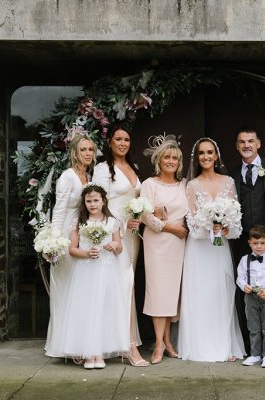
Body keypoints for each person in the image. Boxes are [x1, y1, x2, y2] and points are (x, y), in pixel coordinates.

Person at [178, 137, 245, 362]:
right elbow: (192, 222)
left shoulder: (228, 182)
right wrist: (209, 224)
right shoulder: (192, 185)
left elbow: (237, 221)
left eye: (209, 152)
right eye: (201, 153)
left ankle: (224, 345)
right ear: (197, 158)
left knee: (221, 292)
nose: (206, 157)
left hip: (220, 247)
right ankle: (200, 345)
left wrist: (226, 229)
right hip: (199, 248)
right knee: (200, 293)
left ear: (216, 156)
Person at [92, 123, 148, 367]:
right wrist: (120, 226)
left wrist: (137, 217)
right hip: (115, 235)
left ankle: (120, 342)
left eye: (126, 139)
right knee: (121, 288)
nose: (123, 143)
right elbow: (99, 205)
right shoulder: (103, 169)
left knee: (128, 287)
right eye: (118, 139)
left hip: (133, 235)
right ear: (110, 143)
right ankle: (129, 346)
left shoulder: (133, 167)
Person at [62, 183, 128, 369]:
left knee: (103, 309)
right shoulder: (80, 222)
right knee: (87, 308)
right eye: (88, 201)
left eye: (96, 200)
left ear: (103, 201)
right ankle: (88, 353)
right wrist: (86, 253)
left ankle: (99, 353)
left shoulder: (111, 222)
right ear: (84, 203)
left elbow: (119, 247)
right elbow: (73, 249)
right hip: (85, 271)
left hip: (107, 271)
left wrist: (115, 246)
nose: (92, 204)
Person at [230, 126, 265, 353]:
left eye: (251, 141)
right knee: (245, 288)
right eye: (242, 142)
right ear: (237, 146)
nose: (246, 145)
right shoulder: (231, 174)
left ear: (259, 143)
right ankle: (249, 345)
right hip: (243, 241)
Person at [45, 134, 95, 359]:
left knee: (80, 290)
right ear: (75, 152)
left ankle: (79, 341)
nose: (88, 153)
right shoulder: (67, 176)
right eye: (83, 149)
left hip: (82, 235)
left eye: (91, 150)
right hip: (65, 235)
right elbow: (59, 209)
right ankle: (64, 345)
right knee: (64, 290)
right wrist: (54, 241)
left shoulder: (89, 176)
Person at [140, 134, 188, 364]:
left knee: (171, 294)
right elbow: (144, 216)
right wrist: (170, 227)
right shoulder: (149, 185)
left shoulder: (184, 185)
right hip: (157, 243)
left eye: (175, 158)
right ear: (159, 160)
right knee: (158, 293)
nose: (171, 161)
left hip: (178, 246)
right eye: (167, 157)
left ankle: (168, 341)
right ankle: (158, 344)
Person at [236, 225, 265, 368]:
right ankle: (255, 354)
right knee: (253, 327)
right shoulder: (245, 260)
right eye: (255, 243)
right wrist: (244, 286)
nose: (259, 246)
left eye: (262, 243)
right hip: (250, 297)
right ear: (249, 243)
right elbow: (240, 278)